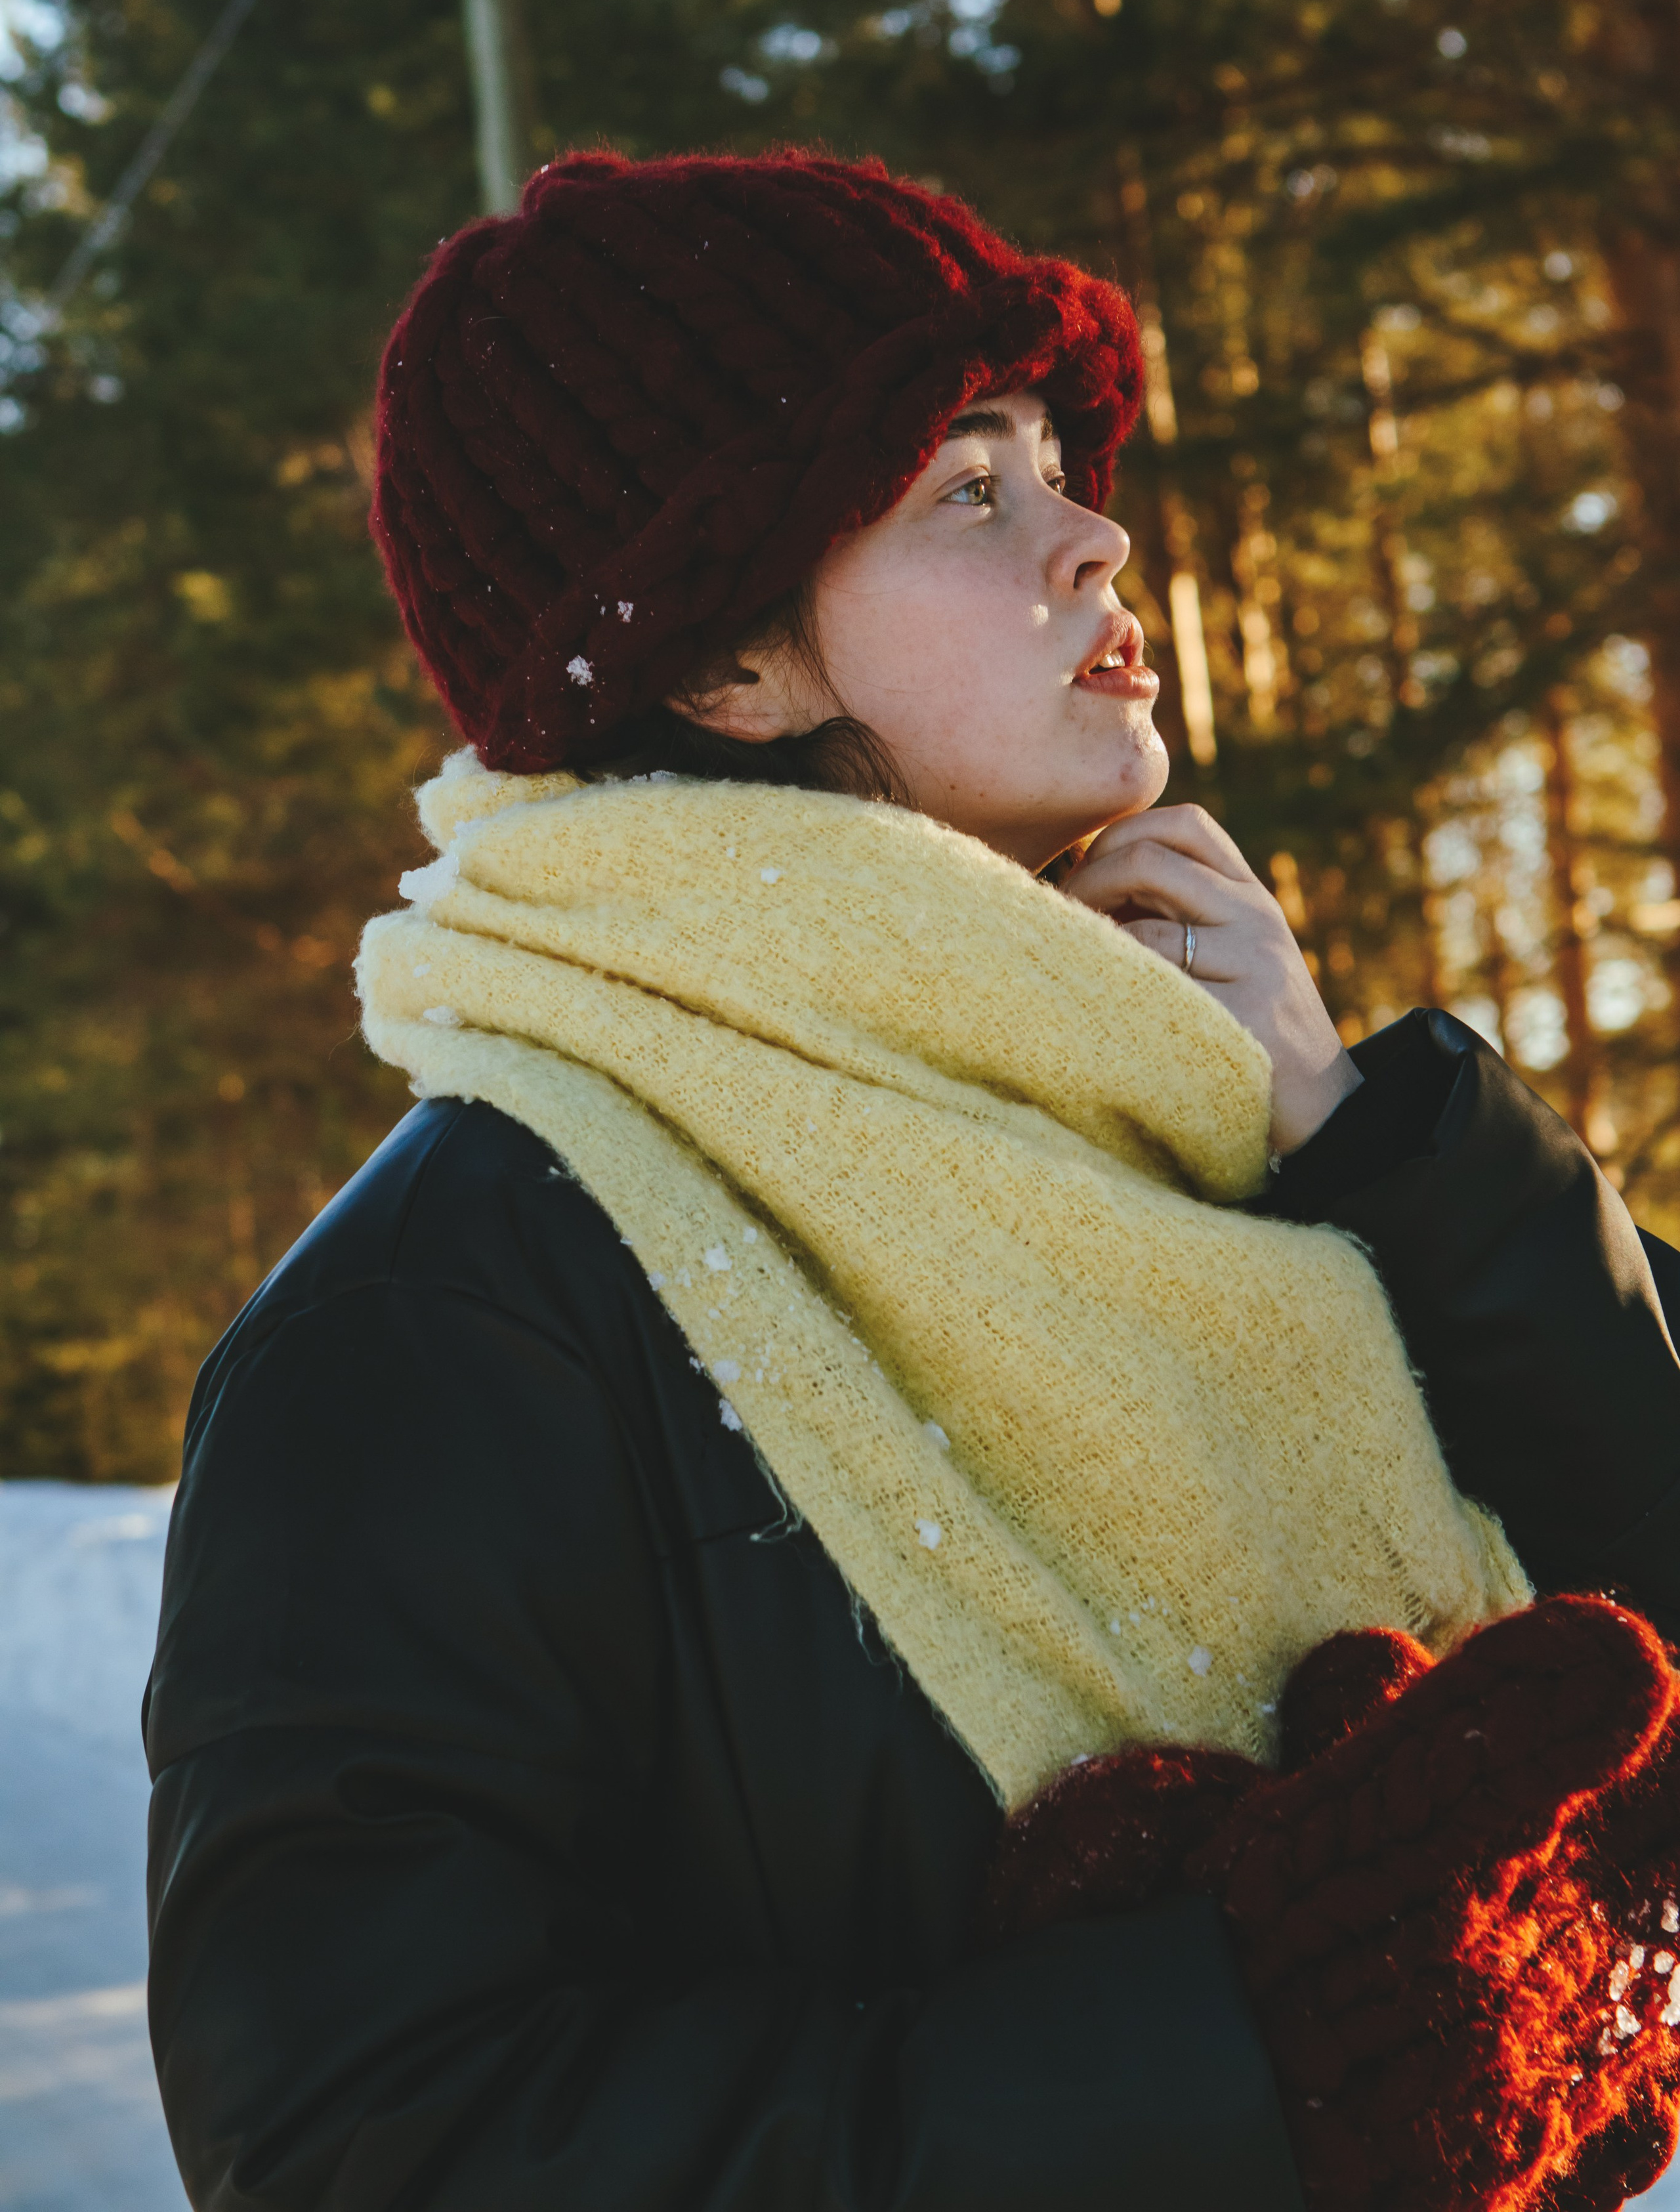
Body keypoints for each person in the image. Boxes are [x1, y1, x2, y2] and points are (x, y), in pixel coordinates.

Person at [146, 150, 1680, 2212]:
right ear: (730, 667)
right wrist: (1233, 2057)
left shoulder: (1237, 1133)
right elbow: (362, 2141)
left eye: (1059, 459)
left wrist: (1381, 1145)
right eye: (969, 489)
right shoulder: (447, 1315)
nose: (1097, 533)